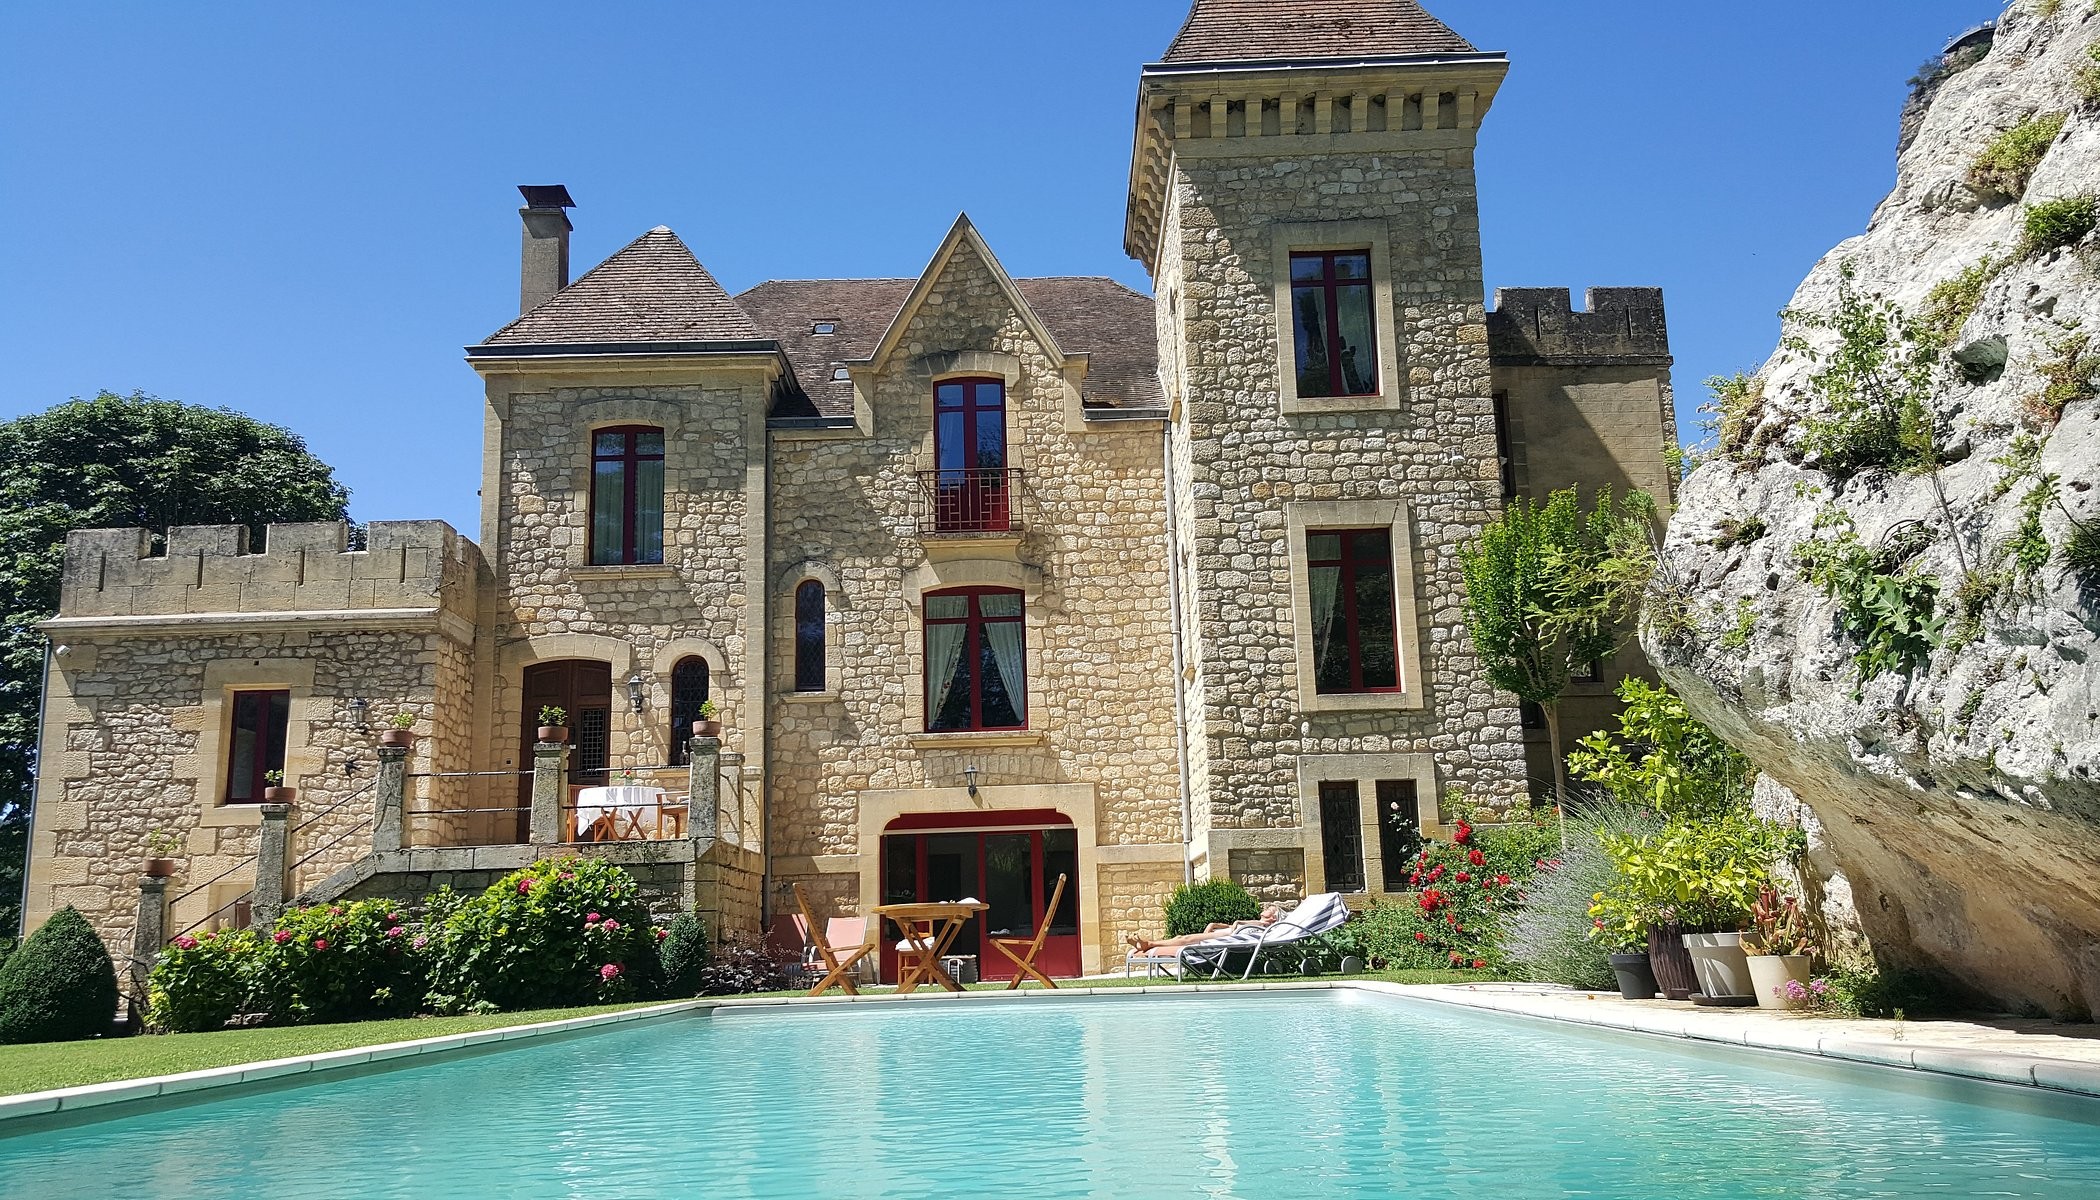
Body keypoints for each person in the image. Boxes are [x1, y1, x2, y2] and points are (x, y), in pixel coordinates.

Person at [1126, 904, 1284, 955]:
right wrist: (1213, 925)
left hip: (1222, 939)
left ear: (1273, 918)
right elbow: (1232, 926)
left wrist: (1236, 923)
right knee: (1182, 936)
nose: (1265, 908)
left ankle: (1150, 944)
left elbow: (1236, 923)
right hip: (1221, 934)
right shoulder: (1257, 923)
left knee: (1185, 940)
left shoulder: (1263, 926)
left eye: (1269, 909)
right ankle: (1142, 946)